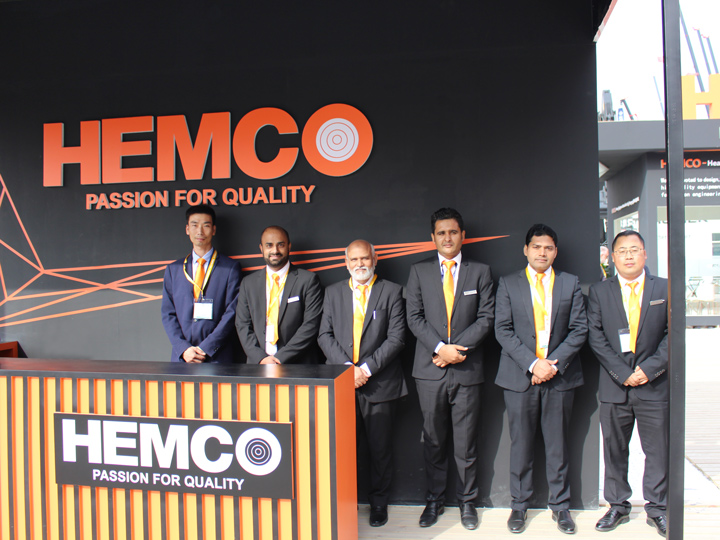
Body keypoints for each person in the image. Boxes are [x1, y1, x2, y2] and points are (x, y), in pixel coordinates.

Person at [494, 224, 587, 534]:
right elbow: (502, 330)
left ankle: (560, 507)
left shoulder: (570, 283)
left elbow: (579, 329)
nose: (542, 252)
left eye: (548, 247)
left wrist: (551, 366)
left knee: (558, 445)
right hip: (519, 377)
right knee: (520, 444)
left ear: (555, 252)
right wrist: (533, 364)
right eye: (536, 247)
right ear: (526, 250)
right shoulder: (509, 283)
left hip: (559, 378)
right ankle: (519, 506)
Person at [406, 207, 495, 530]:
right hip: (429, 371)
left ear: (463, 235)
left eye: (453, 232)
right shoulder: (418, 272)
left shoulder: (481, 272)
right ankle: (434, 501)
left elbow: (486, 317)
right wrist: (439, 348)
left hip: (467, 371)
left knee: (466, 442)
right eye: (441, 233)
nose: (448, 238)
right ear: (433, 237)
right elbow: (413, 317)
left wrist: (455, 351)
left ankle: (467, 503)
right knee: (433, 440)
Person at [318, 239, 407, 527]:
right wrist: (348, 370)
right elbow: (324, 335)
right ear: (346, 263)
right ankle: (347, 501)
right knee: (343, 447)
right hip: (342, 384)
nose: (360, 264)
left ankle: (379, 504)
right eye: (354, 259)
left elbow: (397, 338)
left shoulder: (391, 291)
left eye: (365, 258)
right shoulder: (332, 292)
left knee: (380, 449)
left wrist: (365, 370)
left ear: (374, 259)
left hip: (380, 383)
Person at [588, 230, 669, 537]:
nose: (629, 256)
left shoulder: (664, 288)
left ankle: (657, 508)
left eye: (634, 250)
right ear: (613, 257)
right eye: (622, 251)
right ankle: (618, 506)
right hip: (615, 386)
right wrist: (623, 373)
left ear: (645, 253)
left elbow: (672, 334)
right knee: (615, 450)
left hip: (653, 385)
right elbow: (595, 336)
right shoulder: (599, 291)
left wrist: (648, 370)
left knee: (657, 450)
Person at [161, 204, 242, 363]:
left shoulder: (230, 268)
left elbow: (232, 312)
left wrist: (207, 348)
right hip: (183, 358)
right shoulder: (174, 269)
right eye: (194, 225)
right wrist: (183, 348)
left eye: (206, 225)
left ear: (213, 230)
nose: (200, 231)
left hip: (217, 357)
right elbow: (168, 313)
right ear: (187, 229)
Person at [235, 226, 323, 364]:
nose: (275, 251)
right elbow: (242, 324)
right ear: (261, 248)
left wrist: (280, 358)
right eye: (269, 245)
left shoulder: (308, 280)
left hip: (297, 365)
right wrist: (260, 358)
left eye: (280, 245)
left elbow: (311, 324)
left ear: (289, 246)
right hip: (258, 365)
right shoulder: (248, 283)